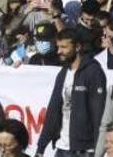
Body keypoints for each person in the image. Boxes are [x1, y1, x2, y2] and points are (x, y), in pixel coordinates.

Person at [36, 28, 107, 157]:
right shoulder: (63, 73)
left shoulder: (93, 72)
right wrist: (41, 147)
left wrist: (97, 149)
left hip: (84, 150)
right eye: (58, 47)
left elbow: (98, 114)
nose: (59, 51)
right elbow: (53, 110)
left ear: (78, 47)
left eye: (64, 47)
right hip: (61, 147)